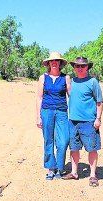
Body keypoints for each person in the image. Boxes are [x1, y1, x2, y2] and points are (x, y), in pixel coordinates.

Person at [63, 56, 103, 187]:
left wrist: (98, 119)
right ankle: (74, 173)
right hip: (73, 121)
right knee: (74, 148)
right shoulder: (71, 82)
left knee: (92, 148)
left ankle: (92, 175)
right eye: (77, 66)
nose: (80, 68)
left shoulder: (93, 82)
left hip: (89, 122)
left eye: (83, 66)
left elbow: (99, 102)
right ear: (74, 67)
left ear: (87, 67)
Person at [36, 52, 71, 180]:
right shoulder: (43, 78)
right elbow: (39, 98)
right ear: (49, 63)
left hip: (62, 112)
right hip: (46, 111)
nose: (54, 62)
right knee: (48, 139)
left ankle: (60, 167)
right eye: (52, 61)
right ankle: (51, 168)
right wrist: (38, 116)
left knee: (63, 141)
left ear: (60, 63)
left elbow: (71, 97)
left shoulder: (66, 78)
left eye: (57, 61)